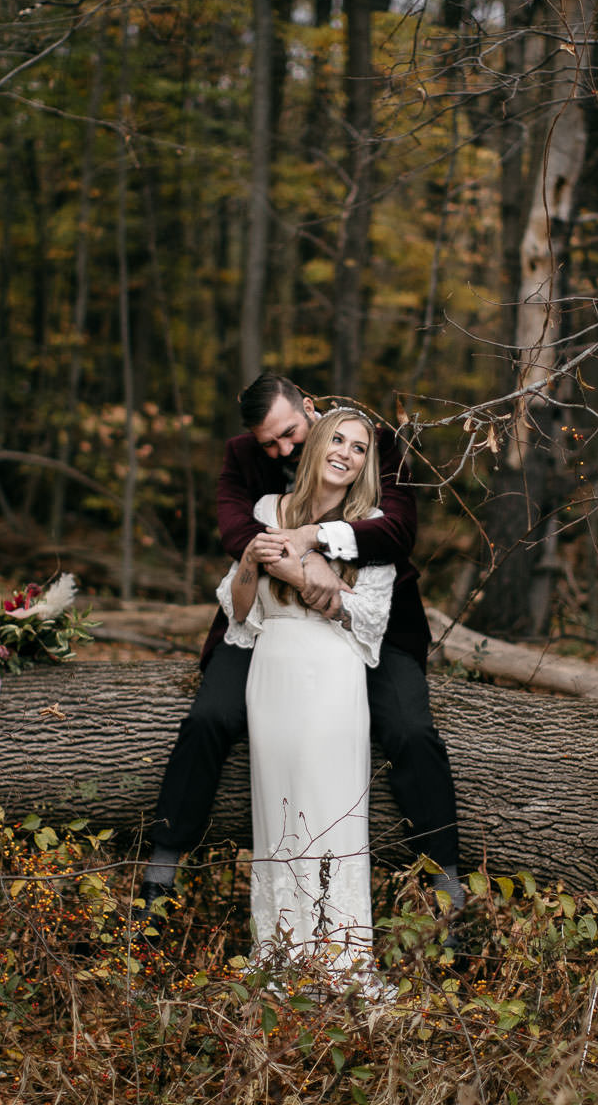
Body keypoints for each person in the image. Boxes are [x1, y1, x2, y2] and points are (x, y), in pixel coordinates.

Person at [139, 373, 465, 928]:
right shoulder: (245, 458)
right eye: (271, 444)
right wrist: (293, 564)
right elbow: (236, 528)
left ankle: (448, 887)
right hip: (267, 615)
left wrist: (317, 542)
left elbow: (397, 532)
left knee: (409, 731)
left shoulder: (374, 443)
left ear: (308, 408)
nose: (283, 450)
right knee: (210, 717)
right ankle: (160, 871)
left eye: (290, 434)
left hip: (372, 624)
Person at [219, 407, 394, 975]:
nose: (346, 452)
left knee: (329, 811)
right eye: (337, 439)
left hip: (332, 671)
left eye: (360, 447)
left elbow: (369, 616)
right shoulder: (269, 512)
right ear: (317, 443)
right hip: (273, 672)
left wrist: (307, 574)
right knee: (278, 813)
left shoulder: (369, 525)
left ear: (367, 463)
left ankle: (340, 960)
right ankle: (280, 954)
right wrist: (251, 558)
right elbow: (239, 610)